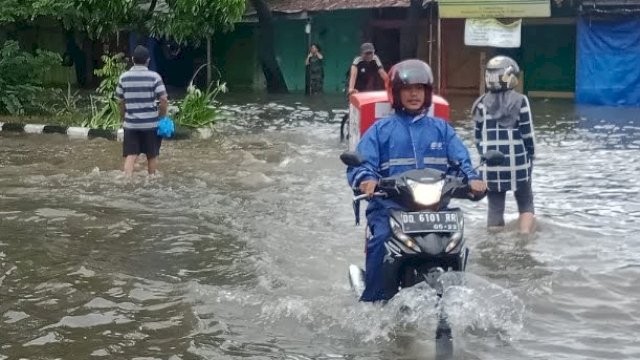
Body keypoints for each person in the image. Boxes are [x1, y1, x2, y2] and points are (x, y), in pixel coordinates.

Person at [346, 59, 487, 302]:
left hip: (435, 209)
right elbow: (362, 164)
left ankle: (458, 295)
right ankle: (374, 303)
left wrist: (473, 179)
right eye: (408, 89)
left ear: (427, 92)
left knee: (458, 244)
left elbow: (462, 161)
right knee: (380, 239)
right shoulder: (381, 130)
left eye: (420, 88)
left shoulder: (441, 129)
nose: (414, 94)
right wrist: (366, 180)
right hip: (390, 207)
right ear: (396, 93)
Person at [472, 55, 536, 234]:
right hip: (518, 164)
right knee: (525, 202)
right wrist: (531, 157)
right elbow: (528, 135)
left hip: (491, 165)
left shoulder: (480, 103)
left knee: (495, 208)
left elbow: (477, 138)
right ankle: (524, 239)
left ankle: (493, 244)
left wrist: (485, 156)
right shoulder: (521, 101)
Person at [116, 45, 168, 177]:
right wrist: (161, 116)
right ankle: (151, 179)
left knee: (131, 154)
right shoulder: (155, 77)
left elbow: (120, 101)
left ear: (133, 59)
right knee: (152, 155)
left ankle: (126, 180)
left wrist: (123, 117)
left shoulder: (124, 77)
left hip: (131, 124)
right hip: (150, 124)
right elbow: (164, 100)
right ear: (148, 60)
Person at [341, 43, 389, 141]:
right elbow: (353, 76)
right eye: (367, 54)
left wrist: (392, 84)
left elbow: (382, 73)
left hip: (364, 88)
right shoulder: (357, 61)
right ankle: (349, 132)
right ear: (362, 54)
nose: (369, 56)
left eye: (371, 53)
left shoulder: (375, 59)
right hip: (353, 86)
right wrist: (350, 89)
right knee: (353, 111)